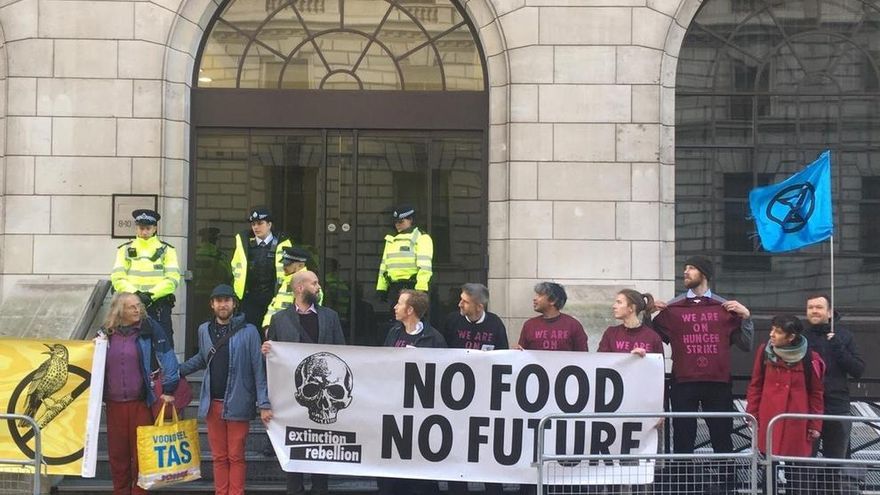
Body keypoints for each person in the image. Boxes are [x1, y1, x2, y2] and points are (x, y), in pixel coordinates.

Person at [650, 255, 752, 493]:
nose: (685, 272)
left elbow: (746, 344)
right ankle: (681, 485)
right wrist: (648, 313)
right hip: (683, 380)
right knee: (683, 436)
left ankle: (727, 486)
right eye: (685, 268)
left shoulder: (725, 308)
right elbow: (653, 339)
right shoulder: (673, 308)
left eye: (691, 268)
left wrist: (746, 317)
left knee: (722, 436)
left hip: (718, 381)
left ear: (704, 274)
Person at [179, 284, 272, 495]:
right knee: (219, 456)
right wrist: (177, 372)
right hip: (213, 404)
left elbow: (258, 369)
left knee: (236, 456)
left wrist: (264, 403)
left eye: (227, 300)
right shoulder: (204, 329)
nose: (223, 304)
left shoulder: (249, 331)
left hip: (238, 402)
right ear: (212, 304)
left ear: (234, 304)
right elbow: (203, 358)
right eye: (219, 301)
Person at [264, 270, 345, 495]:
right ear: (300, 288)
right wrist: (268, 351)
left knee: (321, 447)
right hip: (292, 397)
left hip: (324, 398)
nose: (318, 287)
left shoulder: (330, 316)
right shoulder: (279, 319)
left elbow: (342, 352)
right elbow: (274, 359)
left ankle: (320, 489)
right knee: (295, 448)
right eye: (314, 283)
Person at [99, 292, 178, 495]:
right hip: (114, 405)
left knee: (142, 455)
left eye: (138, 306)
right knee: (118, 457)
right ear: (120, 311)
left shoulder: (149, 328)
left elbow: (168, 357)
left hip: (141, 403)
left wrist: (169, 388)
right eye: (131, 307)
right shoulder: (105, 334)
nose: (137, 310)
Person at [747, 315, 825, 494]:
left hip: (797, 421)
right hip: (769, 419)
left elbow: (816, 393)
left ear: (791, 337)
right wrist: (751, 414)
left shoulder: (810, 357)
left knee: (798, 472)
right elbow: (755, 385)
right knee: (769, 468)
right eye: (772, 329)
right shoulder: (764, 351)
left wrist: (815, 424)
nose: (771, 334)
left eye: (778, 332)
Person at [442, 283, 506, 495]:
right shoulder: (452, 321)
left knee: (487, 449)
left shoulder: (495, 324)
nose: (460, 304)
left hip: (485, 397)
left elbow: (503, 358)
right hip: (455, 396)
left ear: (479, 306)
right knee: (456, 447)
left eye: (465, 301)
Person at [379, 290, 445, 495]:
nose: (395, 308)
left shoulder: (434, 338)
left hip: (420, 412)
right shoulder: (393, 333)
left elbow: (443, 373)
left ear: (410, 310)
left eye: (399, 304)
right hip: (394, 407)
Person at [803, 294, 864, 459]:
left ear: (829, 312)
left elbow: (858, 369)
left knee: (837, 462)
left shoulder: (844, 336)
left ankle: (833, 485)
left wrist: (838, 346)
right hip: (807, 408)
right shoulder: (801, 337)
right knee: (805, 462)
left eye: (819, 307)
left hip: (837, 406)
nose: (814, 311)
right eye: (810, 308)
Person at [111, 209, 180, 341]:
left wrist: (150, 295)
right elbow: (117, 278)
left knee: (162, 348)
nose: (144, 232)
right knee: (129, 347)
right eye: (141, 228)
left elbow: (172, 280)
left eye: (148, 228)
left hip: (157, 307)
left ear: (154, 228)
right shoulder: (124, 249)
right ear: (136, 228)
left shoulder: (167, 250)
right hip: (129, 307)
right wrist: (136, 295)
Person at [231, 207, 293, 329]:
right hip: (250, 298)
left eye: (260, 223)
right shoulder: (244, 243)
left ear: (269, 224)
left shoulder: (282, 242)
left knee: (271, 332)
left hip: (273, 297)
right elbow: (236, 268)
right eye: (253, 224)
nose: (256, 227)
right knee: (250, 332)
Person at [376, 205, 433, 311]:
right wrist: (382, 288)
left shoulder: (421, 237)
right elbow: (384, 266)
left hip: (412, 287)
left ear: (410, 220)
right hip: (394, 288)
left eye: (401, 221)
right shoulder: (391, 239)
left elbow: (425, 267)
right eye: (396, 222)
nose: (397, 224)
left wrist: (420, 289)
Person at [261, 246, 322, 330]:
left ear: (300, 265)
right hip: (280, 330)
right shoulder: (285, 281)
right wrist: (267, 326)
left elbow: (308, 312)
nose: (284, 267)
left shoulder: (310, 284)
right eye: (283, 264)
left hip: (295, 332)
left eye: (288, 264)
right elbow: (274, 306)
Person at [518, 282, 588, 351]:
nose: (534, 299)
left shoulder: (573, 325)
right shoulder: (529, 325)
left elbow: (583, 356)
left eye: (539, 295)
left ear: (553, 300)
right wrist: (517, 351)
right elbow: (522, 353)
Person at [598, 289, 663, 356]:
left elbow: (659, 364)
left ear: (631, 307)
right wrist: (629, 358)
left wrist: (644, 358)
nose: (614, 306)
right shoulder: (610, 333)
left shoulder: (653, 337)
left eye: (619, 302)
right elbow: (600, 361)